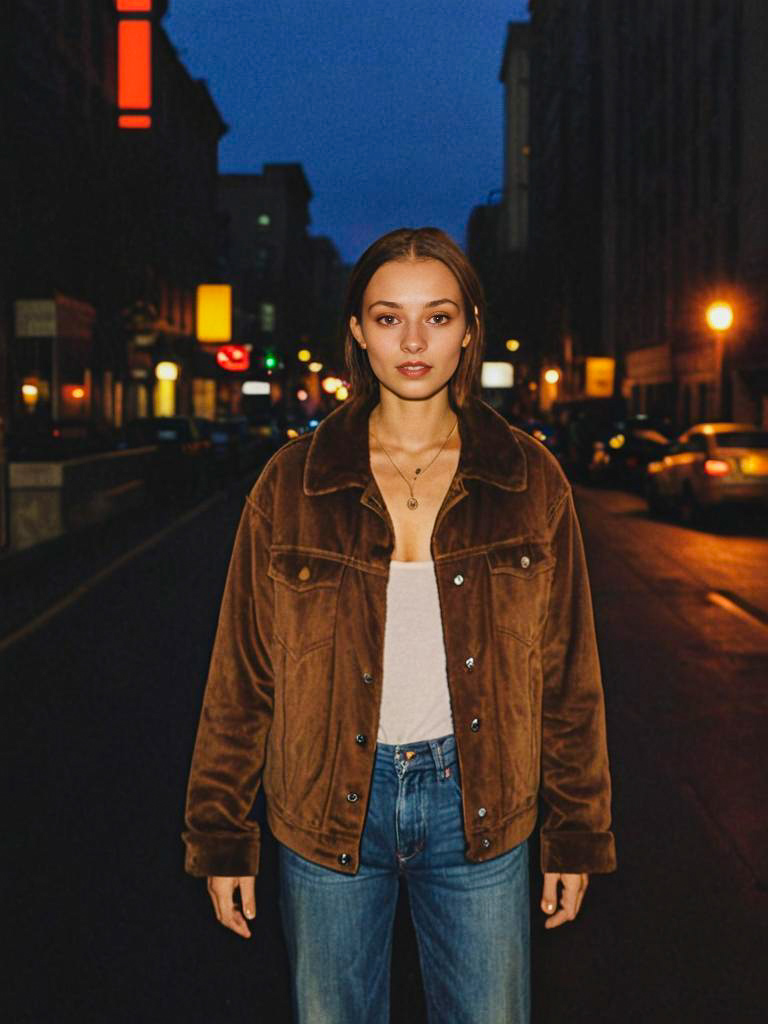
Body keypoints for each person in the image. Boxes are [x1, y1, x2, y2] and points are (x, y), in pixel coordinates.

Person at [182, 227, 617, 1023]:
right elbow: (241, 673)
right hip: (323, 808)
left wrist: (578, 831)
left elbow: (567, 671)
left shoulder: (529, 478)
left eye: (438, 316)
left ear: (469, 327)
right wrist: (220, 831)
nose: (413, 341)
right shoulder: (293, 481)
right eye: (388, 318)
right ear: (357, 331)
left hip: (480, 804)